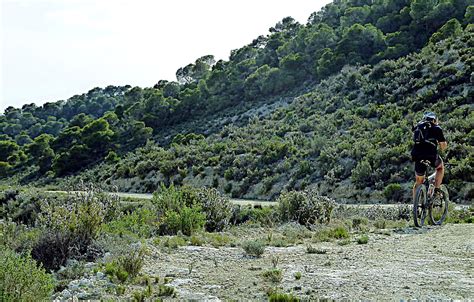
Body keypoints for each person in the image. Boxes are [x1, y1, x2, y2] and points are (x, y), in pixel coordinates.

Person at [411, 112, 447, 199]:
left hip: (417, 156)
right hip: (431, 155)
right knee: (440, 167)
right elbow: (443, 146)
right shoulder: (437, 128)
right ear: (434, 120)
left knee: (419, 181)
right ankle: (437, 189)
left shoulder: (418, 127)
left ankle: (416, 208)